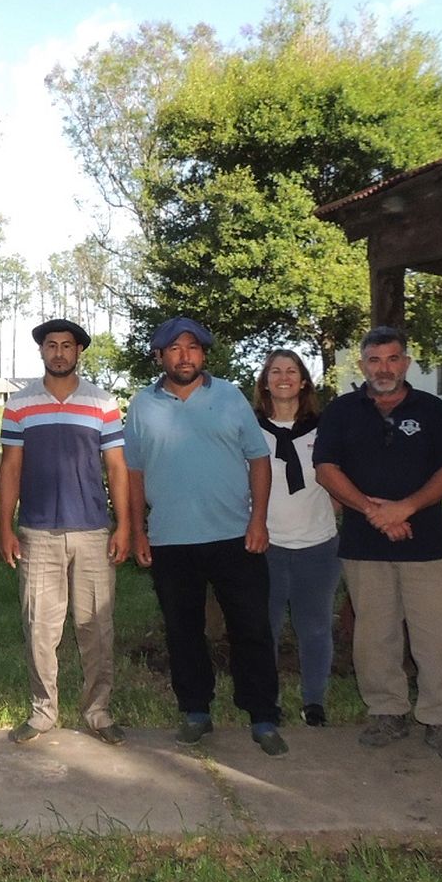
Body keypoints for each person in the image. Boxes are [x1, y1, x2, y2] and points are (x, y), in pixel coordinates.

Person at [126, 318, 288, 756]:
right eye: (174, 348)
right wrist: (138, 529)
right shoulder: (141, 406)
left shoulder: (230, 396)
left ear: (203, 355)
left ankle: (263, 716)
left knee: (251, 628)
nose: (184, 355)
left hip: (236, 535)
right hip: (171, 540)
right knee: (183, 631)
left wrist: (259, 521)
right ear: (159, 357)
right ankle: (195, 710)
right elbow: (134, 473)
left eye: (193, 347)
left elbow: (258, 460)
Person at [314, 325, 442, 761]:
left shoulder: (433, 410)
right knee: (374, 637)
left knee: (440, 637)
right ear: (363, 364)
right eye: (374, 360)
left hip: (429, 546)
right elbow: (326, 469)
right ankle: (386, 712)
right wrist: (374, 512)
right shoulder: (342, 411)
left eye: (393, 358)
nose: (384, 368)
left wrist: (403, 508)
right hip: (365, 546)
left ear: (406, 362)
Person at [0, 318, 129, 746]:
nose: (58, 352)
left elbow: (116, 468)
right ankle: (42, 712)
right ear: (42, 352)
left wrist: (125, 526)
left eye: (66, 346)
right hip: (37, 533)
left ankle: (98, 710)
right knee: (40, 626)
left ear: (78, 352)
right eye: (51, 345)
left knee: (96, 626)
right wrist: (5, 527)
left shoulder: (102, 403)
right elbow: (10, 467)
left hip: (92, 531)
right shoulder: (19, 404)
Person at [253, 349, 341, 728]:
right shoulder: (251, 429)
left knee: (316, 626)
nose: (284, 377)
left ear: (304, 381)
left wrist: (328, 513)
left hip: (317, 545)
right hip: (266, 546)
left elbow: (340, 478)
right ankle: (266, 701)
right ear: (265, 382)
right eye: (276, 371)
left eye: (292, 371)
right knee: (264, 627)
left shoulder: (324, 429)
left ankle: (314, 701)